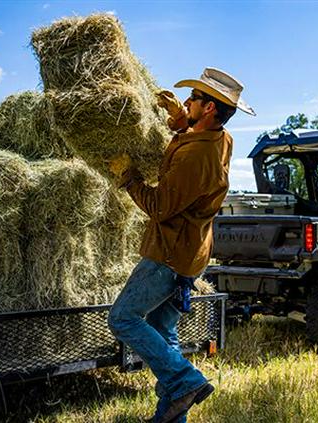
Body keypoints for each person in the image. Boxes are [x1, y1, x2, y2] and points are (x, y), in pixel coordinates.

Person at [107, 67, 255, 423]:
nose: (187, 101)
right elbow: (193, 139)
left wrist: (128, 177)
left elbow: (159, 207)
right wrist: (179, 120)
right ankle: (174, 416)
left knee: (123, 318)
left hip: (169, 254)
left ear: (209, 109)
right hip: (192, 253)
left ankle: (185, 380)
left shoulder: (196, 158)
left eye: (194, 98)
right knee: (162, 329)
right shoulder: (222, 139)